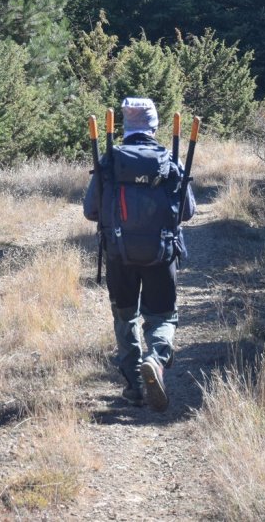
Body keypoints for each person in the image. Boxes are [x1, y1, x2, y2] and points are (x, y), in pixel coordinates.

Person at [83, 96, 196, 411]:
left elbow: (91, 211)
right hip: (161, 255)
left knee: (125, 317)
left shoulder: (110, 161)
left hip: (119, 256)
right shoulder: (169, 161)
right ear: (155, 125)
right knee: (162, 316)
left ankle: (134, 385)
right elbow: (187, 212)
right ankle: (156, 360)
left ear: (124, 125)